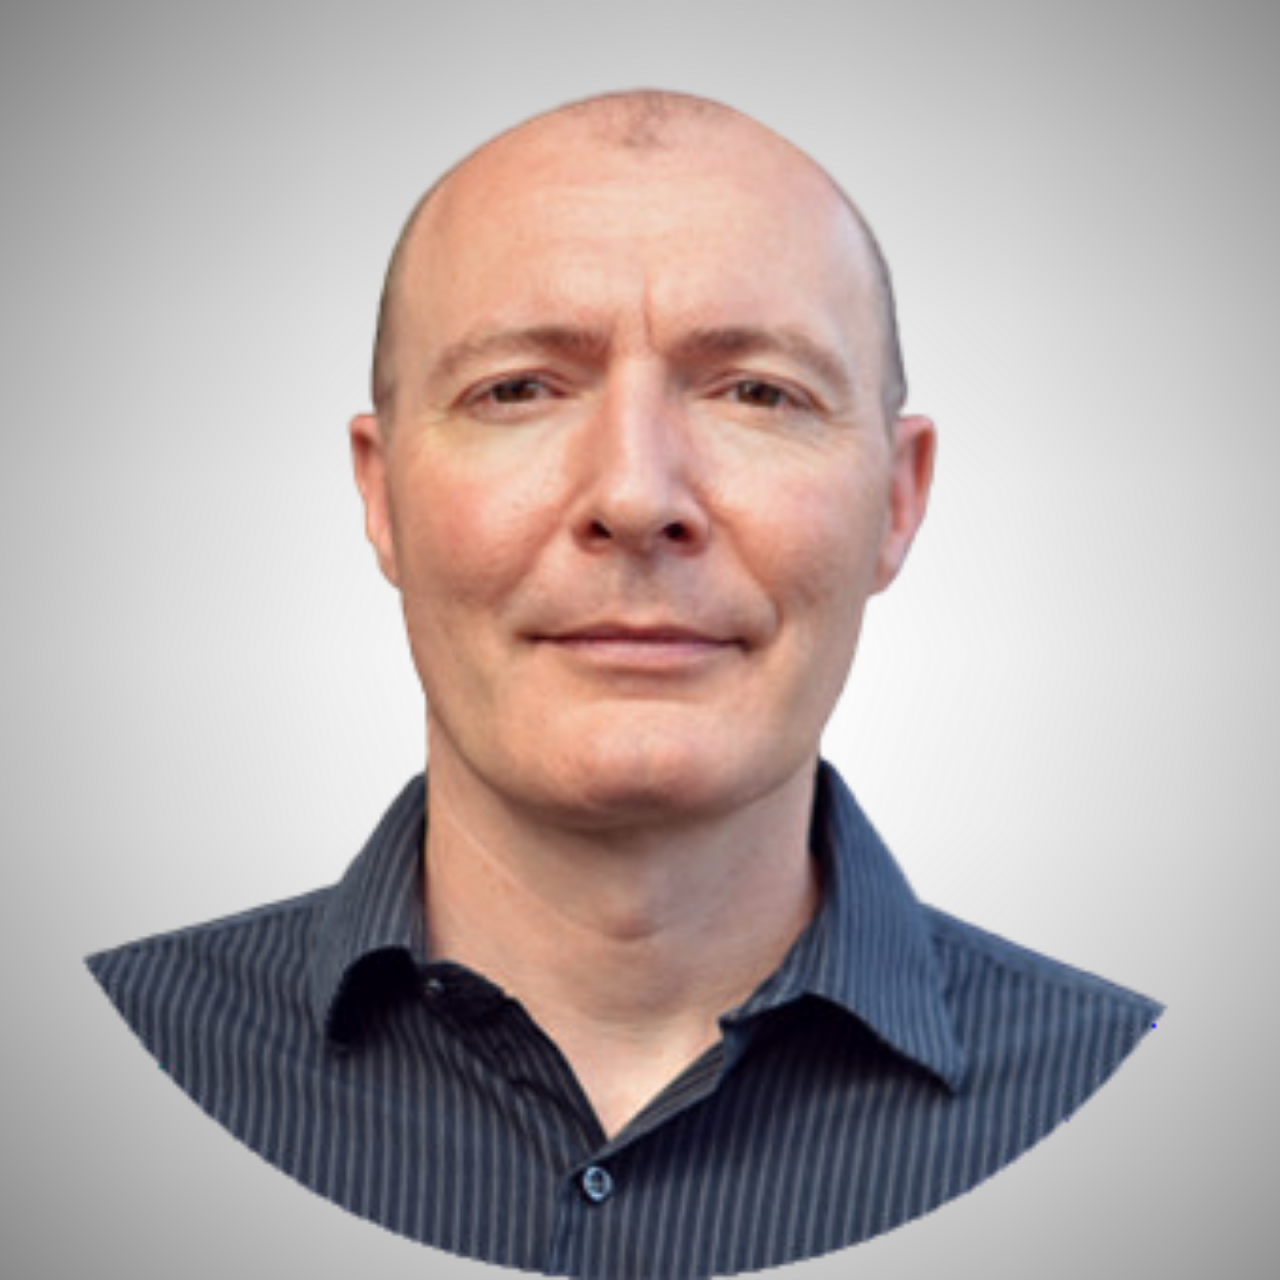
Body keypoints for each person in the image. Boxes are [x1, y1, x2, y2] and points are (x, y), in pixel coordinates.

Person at [87, 89, 1162, 1277]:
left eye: (757, 390)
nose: (637, 495)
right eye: (518, 388)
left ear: (896, 501)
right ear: (380, 495)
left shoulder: (1153, 1121)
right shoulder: (76, 1080)